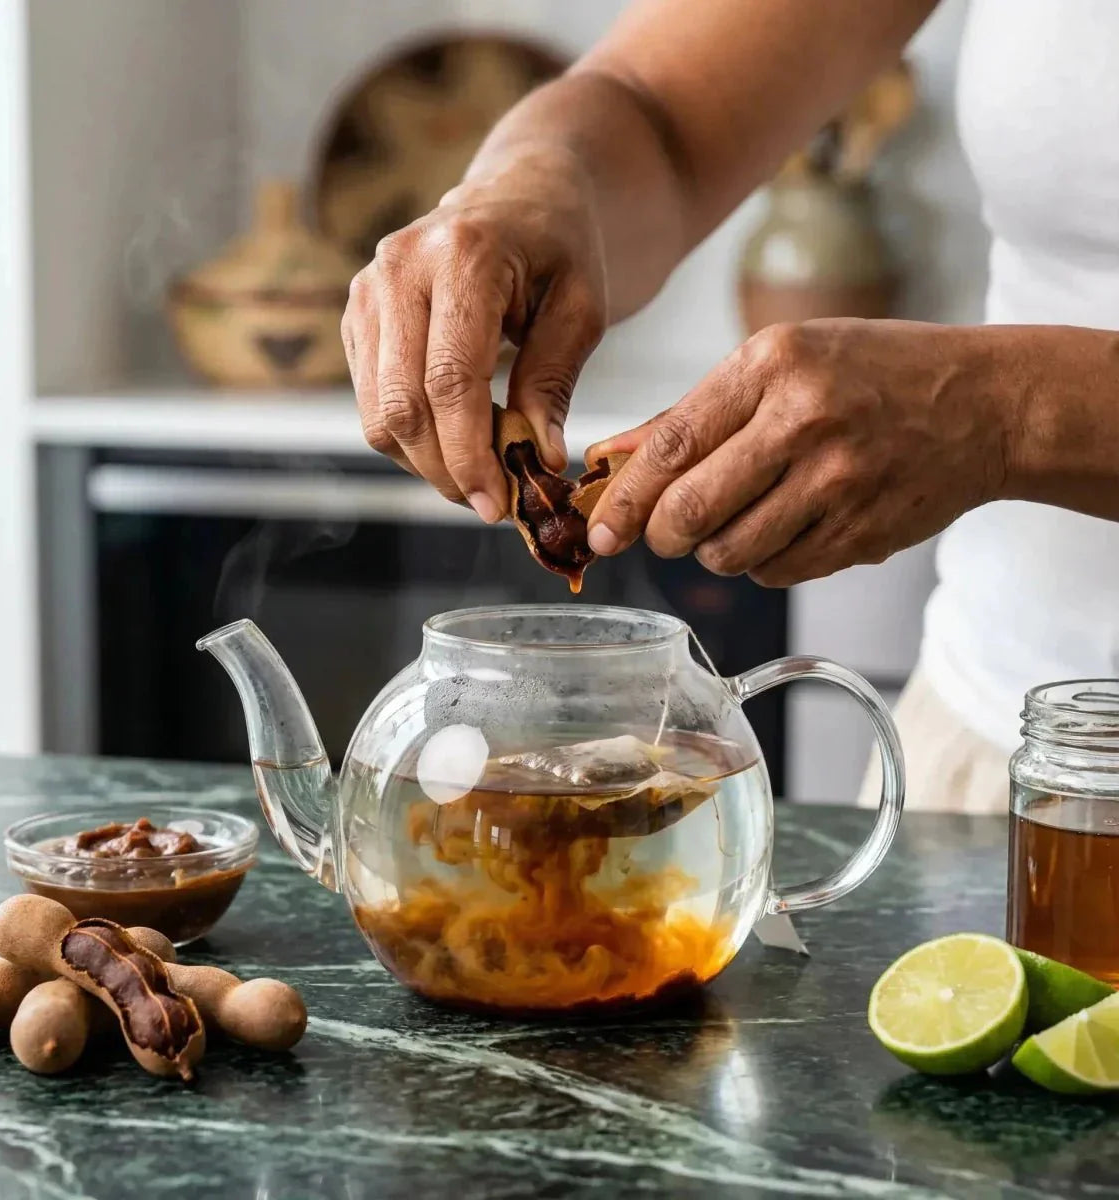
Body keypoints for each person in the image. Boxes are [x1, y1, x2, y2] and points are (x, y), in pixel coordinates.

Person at [341, 0, 1119, 813]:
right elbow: (653, 107)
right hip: (1005, 739)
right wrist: (528, 187)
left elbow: (1009, 410)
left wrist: (1010, 413)